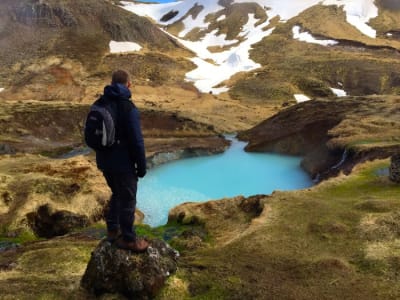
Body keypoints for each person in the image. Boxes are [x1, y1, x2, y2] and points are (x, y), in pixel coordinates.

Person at [96, 70, 149, 252]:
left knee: (117, 194)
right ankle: (128, 239)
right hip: (124, 165)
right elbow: (136, 141)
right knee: (128, 200)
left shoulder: (101, 102)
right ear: (129, 84)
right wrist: (141, 166)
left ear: (111, 83)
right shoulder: (128, 107)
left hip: (105, 163)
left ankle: (112, 230)